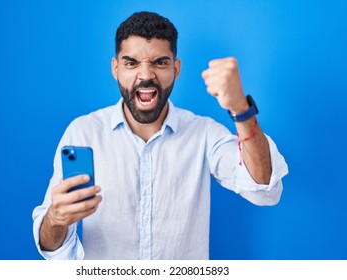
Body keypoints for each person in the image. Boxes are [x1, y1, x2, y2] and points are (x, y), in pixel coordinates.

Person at [32, 11, 288, 260]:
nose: (145, 75)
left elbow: (263, 188)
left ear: (176, 68)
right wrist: (56, 219)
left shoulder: (204, 134)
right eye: (131, 63)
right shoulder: (83, 132)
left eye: (160, 62)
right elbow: (50, 248)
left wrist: (241, 109)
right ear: (115, 68)